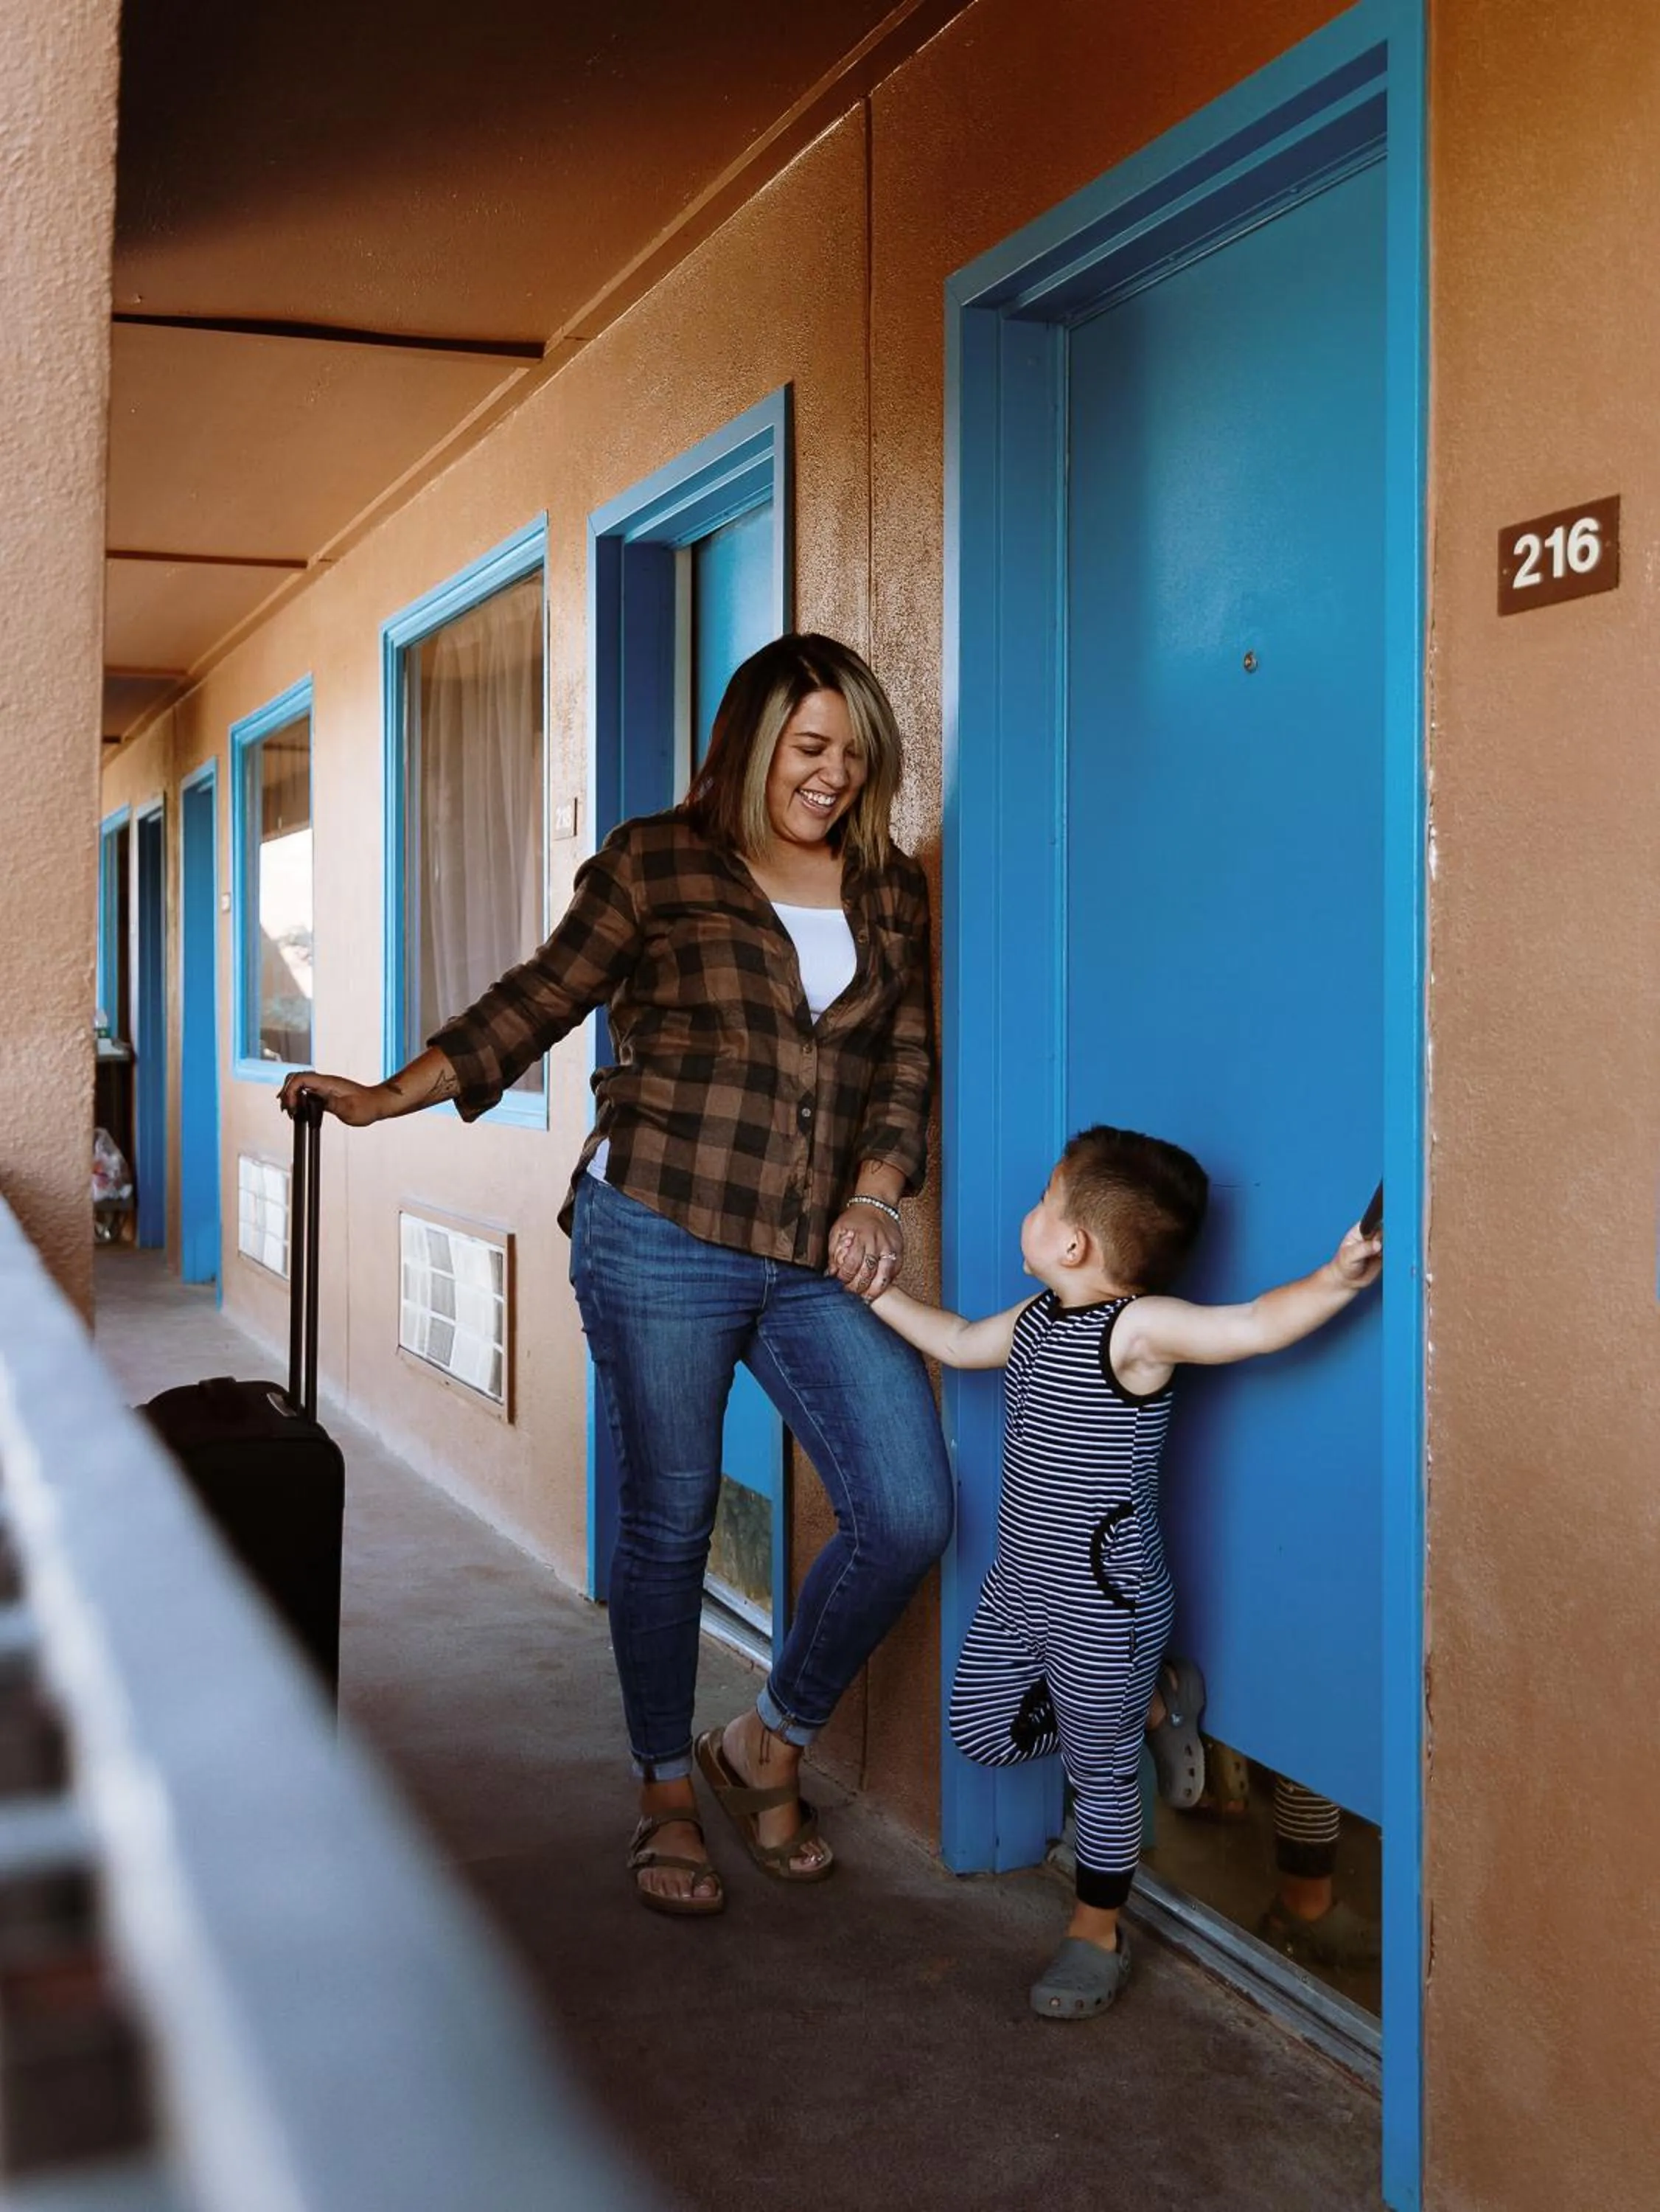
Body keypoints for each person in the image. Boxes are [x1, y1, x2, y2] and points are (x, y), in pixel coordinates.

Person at [279, 633, 953, 1918]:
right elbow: (541, 996)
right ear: (753, 740)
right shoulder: (659, 860)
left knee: (908, 1504)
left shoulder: (883, 891)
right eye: (810, 749)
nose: (831, 778)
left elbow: (903, 1061)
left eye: (854, 757)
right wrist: (384, 1098)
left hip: (811, 1254)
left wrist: (877, 1190)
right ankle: (660, 1787)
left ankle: (764, 1742)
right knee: (671, 1516)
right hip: (659, 1227)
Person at [865, 1124, 1381, 2020]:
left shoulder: (1136, 1331)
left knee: (1100, 1776)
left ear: (1072, 1243)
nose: (1027, 1212)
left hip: (1107, 1605)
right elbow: (950, 1340)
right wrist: (870, 1289)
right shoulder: (1033, 1323)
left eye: (1041, 1200)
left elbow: (1253, 1325)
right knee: (980, 1729)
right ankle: (1148, 1709)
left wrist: (1335, 1279)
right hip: (1021, 1584)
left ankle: (1094, 1931)